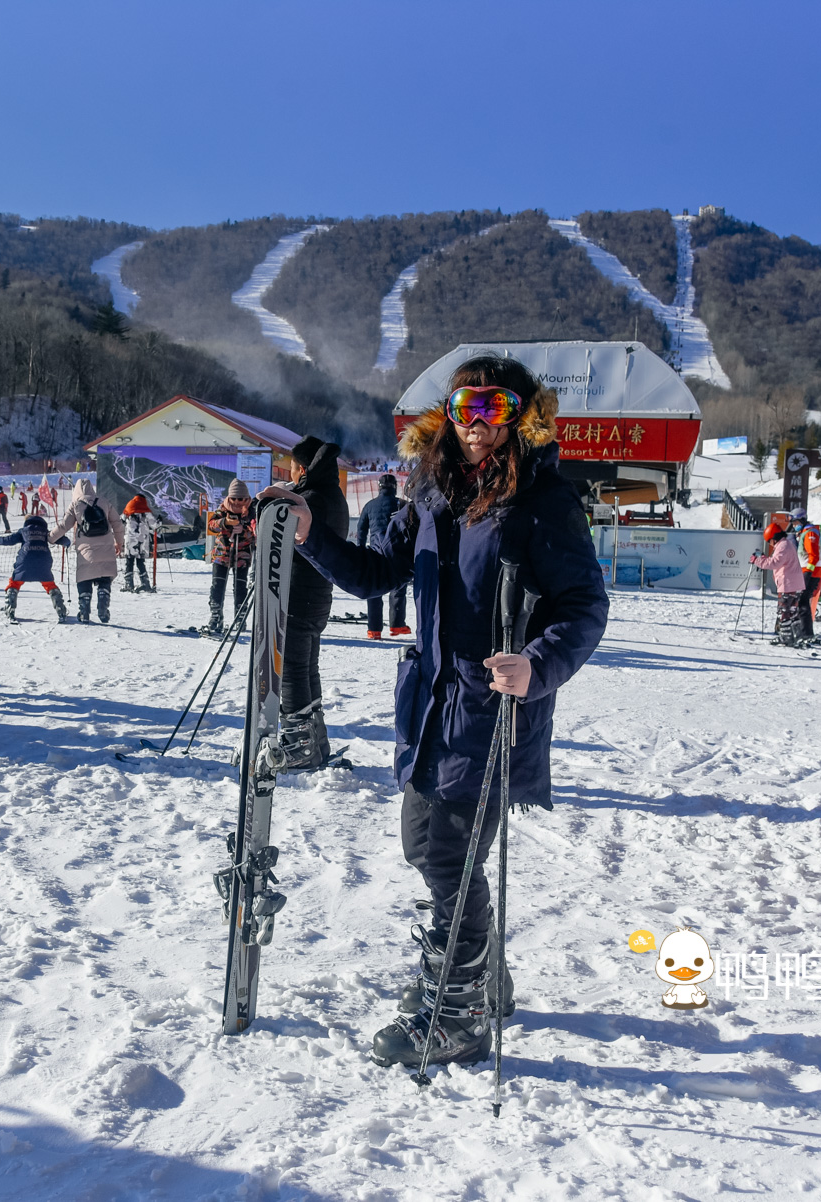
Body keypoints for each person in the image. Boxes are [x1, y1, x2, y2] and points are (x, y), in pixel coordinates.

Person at [261, 355, 608, 1069]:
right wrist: (309, 535)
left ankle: (458, 1013)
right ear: (446, 414)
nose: (479, 427)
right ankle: (486, 982)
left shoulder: (543, 498)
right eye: (466, 409)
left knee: (444, 855)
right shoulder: (428, 490)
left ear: (523, 416)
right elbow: (378, 573)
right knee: (438, 849)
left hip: (492, 704)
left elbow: (584, 606)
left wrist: (539, 664)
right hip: (428, 704)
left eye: (497, 410)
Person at [281, 435, 350, 768]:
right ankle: (315, 741)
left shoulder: (310, 499)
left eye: (292, 469)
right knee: (306, 667)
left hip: (299, 593)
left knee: (293, 669)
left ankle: (299, 744)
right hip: (319, 594)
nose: (289, 474)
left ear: (302, 469)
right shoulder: (333, 495)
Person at [50, 479, 121, 623]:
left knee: (84, 578)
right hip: (106, 547)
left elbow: (64, 526)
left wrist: (50, 538)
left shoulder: (75, 505)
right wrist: (119, 542)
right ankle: (103, 600)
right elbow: (117, 523)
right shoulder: (104, 501)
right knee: (104, 577)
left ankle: (84, 611)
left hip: (85, 551)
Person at [356, 472, 410, 639]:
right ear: (395, 487)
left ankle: (374, 630)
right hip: (396, 552)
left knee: (374, 590)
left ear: (379, 487)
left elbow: (361, 529)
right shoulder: (402, 505)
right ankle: (397, 626)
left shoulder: (370, 505)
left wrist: (360, 549)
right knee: (398, 589)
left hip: (375, 551)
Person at [0, 512, 70, 623]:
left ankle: (10, 609)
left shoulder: (23, 531)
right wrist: (66, 542)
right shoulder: (45, 532)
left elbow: (10, 539)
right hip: (43, 561)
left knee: (14, 583)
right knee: (49, 585)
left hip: (25, 561)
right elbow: (57, 538)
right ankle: (61, 611)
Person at [205, 480, 254, 635]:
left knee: (240, 587)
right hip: (222, 553)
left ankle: (240, 618)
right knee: (217, 586)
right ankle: (215, 615)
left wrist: (244, 530)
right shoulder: (223, 508)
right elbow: (211, 525)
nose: (237, 502)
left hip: (242, 554)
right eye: (234, 498)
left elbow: (257, 532)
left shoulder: (252, 511)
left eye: (241, 499)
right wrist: (225, 522)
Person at [750, 524, 807, 647]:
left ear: (773, 538)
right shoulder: (786, 544)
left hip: (788, 585)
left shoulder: (783, 546)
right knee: (793, 611)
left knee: (784, 611)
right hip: (795, 584)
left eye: (769, 541)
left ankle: (786, 637)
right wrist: (763, 558)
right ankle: (797, 636)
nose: (770, 544)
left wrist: (757, 560)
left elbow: (774, 563)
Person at [792, 509, 821, 641]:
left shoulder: (810, 533)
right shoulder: (804, 532)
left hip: (810, 572)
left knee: (802, 602)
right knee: (801, 602)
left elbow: (813, 555)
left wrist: (808, 573)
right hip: (806, 571)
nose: (794, 525)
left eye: (796, 522)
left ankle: (806, 633)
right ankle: (804, 631)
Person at [120, 494, 158, 593]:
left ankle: (129, 584)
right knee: (140, 562)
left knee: (129, 562)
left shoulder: (129, 507)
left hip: (130, 540)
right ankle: (145, 583)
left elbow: (121, 520)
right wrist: (160, 521)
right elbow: (154, 525)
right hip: (142, 541)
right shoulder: (146, 511)